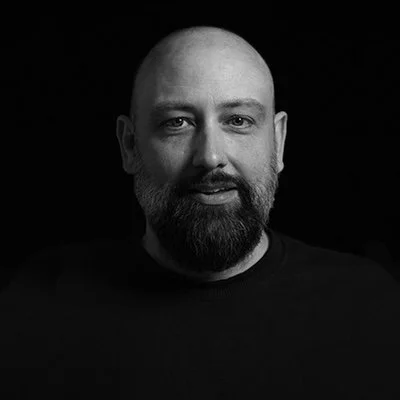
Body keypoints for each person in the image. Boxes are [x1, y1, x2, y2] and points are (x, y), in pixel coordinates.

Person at [1, 25, 399, 399]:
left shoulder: (371, 307)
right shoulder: (37, 306)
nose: (210, 157)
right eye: (177, 122)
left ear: (278, 141)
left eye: (239, 121)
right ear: (129, 145)